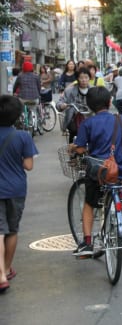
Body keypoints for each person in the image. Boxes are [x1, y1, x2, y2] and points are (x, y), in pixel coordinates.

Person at [69, 87, 122, 257]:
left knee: (89, 203)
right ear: (109, 102)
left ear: (89, 105)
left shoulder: (88, 123)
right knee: (117, 179)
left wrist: (73, 147)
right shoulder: (120, 119)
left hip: (98, 171)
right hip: (119, 168)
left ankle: (87, 243)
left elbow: (79, 149)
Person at [0, 95, 37, 293]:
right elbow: (28, 166)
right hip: (16, 188)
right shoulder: (23, 136)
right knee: (12, 230)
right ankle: (6, 269)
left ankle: (1, 275)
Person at [57, 68, 93, 143]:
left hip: (90, 116)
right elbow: (59, 102)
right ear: (77, 79)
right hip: (73, 117)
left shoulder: (94, 90)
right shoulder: (69, 91)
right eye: (81, 78)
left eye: (86, 77)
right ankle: (72, 149)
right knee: (74, 130)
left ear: (89, 78)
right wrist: (62, 105)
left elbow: (101, 102)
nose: (84, 80)